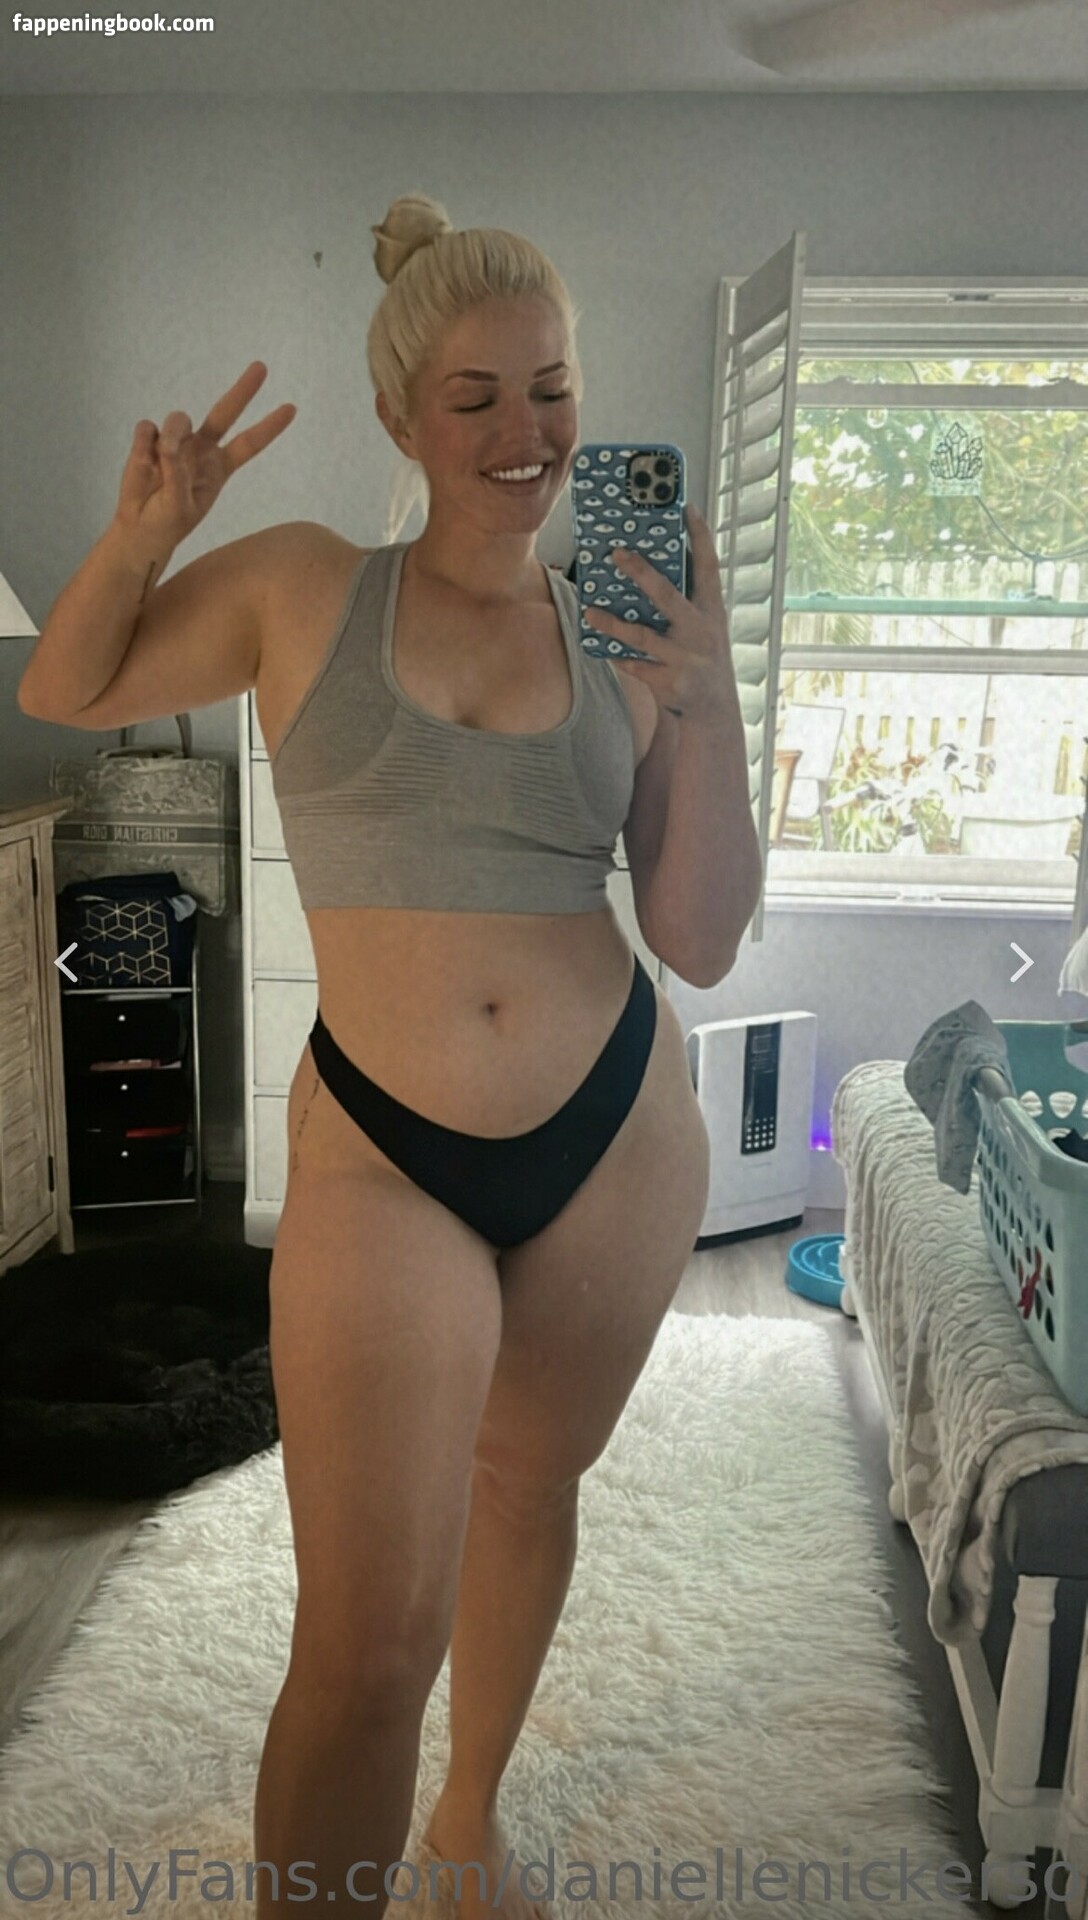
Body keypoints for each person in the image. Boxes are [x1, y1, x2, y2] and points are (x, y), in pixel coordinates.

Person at [17, 191, 762, 1919]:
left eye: (553, 390)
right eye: (477, 397)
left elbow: (703, 931)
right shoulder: (300, 587)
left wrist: (712, 699)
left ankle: (469, 1823)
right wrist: (141, 535)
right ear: (401, 417)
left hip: (615, 1132)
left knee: (528, 1487)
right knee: (365, 1643)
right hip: (385, 1149)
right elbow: (66, 688)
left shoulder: (626, 625)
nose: (527, 434)